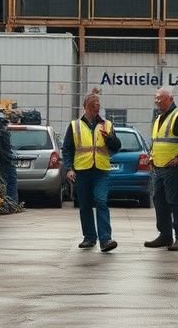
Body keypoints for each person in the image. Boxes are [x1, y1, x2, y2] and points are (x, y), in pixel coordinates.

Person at [62, 89, 121, 252]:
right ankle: (89, 237)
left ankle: (105, 239)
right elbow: (67, 149)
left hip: (101, 171)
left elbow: (117, 146)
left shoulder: (107, 125)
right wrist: (68, 169)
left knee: (101, 201)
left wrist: (108, 137)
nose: (96, 110)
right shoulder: (74, 126)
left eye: (97, 107)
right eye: (93, 107)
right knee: (85, 205)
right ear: (85, 107)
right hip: (82, 171)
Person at [144, 88, 178, 251]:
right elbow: (157, 141)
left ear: (170, 99)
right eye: (156, 98)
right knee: (159, 201)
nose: (157, 101)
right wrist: (151, 155)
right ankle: (165, 236)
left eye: (160, 98)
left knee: (174, 202)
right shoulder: (160, 117)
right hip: (158, 167)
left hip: (172, 168)